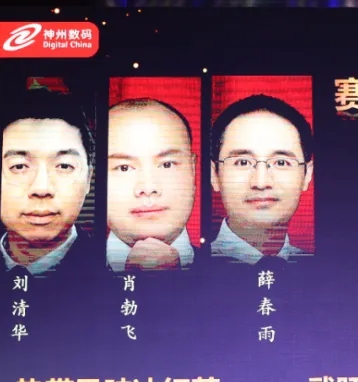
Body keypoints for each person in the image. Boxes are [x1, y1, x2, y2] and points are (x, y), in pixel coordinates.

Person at [0, 89, 95, 276]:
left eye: (64, 166)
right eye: (19, 166)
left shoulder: (112, 268)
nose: (41, 189)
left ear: (88, 178)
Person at [209, 95, 313, 264]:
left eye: (281, 162)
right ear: (214, 174)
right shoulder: (188, 264)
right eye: (242, 162)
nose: (261, 182)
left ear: (307, 174)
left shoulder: (321, 267)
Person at [106, 98, 197, 271]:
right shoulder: (61, 275)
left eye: (167, 165)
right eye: (124, 168)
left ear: (193, 170)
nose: (148, 188)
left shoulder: (237, 272)